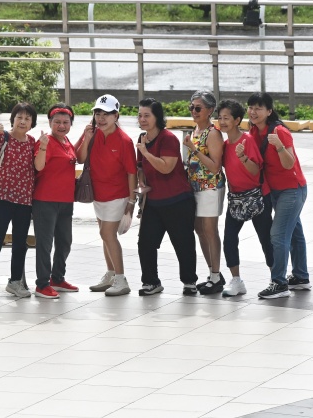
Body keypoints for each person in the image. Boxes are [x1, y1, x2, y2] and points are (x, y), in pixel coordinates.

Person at [248, 92, 310, 299]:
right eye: (251, 107)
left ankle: (279, 283)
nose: (253, 112)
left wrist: (279, 146)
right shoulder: (254, 131)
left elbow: (289, 163)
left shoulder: (279, 131)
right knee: (295, 234)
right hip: (274, 190)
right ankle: (300, 277)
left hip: (292, 189)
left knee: (278, 235)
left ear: (269, 111)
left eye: (258, 108)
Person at [136, 98, 199, 296]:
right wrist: (141, 180)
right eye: (140, 115)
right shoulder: (142, 138)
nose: (142, 119)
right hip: (153, 201)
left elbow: (166, 167)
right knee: (145, 243)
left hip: (177, 200)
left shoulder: (168, 138)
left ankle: (189, 281)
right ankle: (151, 282)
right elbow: (140, 166)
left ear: (157, 117)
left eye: (147, 115)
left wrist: (145, 152)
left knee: (183, 243)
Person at [76, 95, 137, 297]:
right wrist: (87, 138)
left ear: (116, 116)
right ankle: (111, 274)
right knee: (104, 235)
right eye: (98, 113)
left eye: (106, 114)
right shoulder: (92, 133)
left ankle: (121, 279)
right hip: (97, 194)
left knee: (107, 234)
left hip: (117, 195)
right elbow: (79, 158)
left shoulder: (124, 141)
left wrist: (131, 201)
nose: (101, 118)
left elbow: (132, 173)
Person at [0, 103, 37, 299]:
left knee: (20, 242)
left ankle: (15, 281)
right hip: (0, 197)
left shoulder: (32, 142)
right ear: (13, 119)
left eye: (27, 118)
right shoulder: (2, 138)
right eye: (19, 117)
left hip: (24, 200)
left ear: (32, 123)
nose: (23, 121)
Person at [217, 99, 274, 296]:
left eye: (226, 118)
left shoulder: (247, 140)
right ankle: (236, 280)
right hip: (236, 199)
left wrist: (243, 157)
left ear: (237, 120)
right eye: (220, 118)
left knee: (266, 239)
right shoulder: (225, 145)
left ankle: (276, 278)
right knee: (229, 239)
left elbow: (256, 171)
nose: (222, 122)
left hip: (257, 197)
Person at [32, 104, 80, 299]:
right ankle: (42, 284)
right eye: (57, 122)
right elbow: (38, 166)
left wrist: (86, 137)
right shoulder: (46, 141)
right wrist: (43, 146)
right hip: (45, 201)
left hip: (65, 200)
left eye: (66, 122)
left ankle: (57, 278)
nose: (61, 126)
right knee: (45, 244)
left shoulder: (66, 141)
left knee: (65, 241)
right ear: (50, 123)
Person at [183, 89, 226, 294]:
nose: (194, 111)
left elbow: (215, 167)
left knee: (210, 230)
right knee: (199, 229)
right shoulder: (195, 130)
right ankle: (212, 273)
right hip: (195, 187)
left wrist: (193, 149)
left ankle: (216, 276)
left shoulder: (213, 133)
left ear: (210, 110)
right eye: (191, 107)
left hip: (210, 187)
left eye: (198, 108)